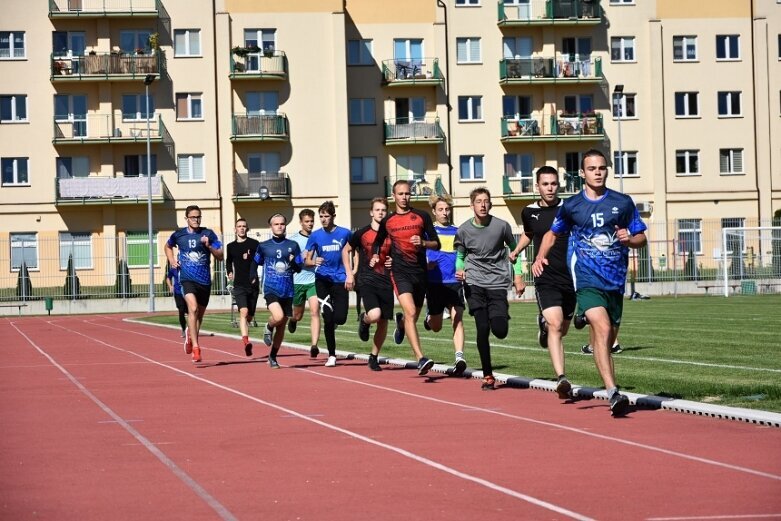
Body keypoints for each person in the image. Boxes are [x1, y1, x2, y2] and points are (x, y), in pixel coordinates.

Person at [532, 149, 647, 417]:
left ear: (607, 170)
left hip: (615, 281)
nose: (597, 172)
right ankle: (613, 392)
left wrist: (629, 239)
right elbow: (552, 233)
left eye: (602, 168)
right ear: (582, 173)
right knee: (603, 328)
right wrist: (540, 257)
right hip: (586, 278)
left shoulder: (623, 202)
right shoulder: (572, 206)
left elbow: (642, 238)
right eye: (592, 168)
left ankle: (606, 374)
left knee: (606, 339)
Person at [509, 166, 576, 400]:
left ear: (559, 185)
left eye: (554, 184)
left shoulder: (568, 209)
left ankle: (543, 326)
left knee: (562, 327)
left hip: (570, 278)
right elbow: (529, 233)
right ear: (537, 186)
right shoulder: (528, 211)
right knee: (557, 325)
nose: (550, 188)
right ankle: (562, 378)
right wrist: (517, 250)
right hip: (544, 277)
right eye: (545, 184)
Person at [455, 188, 525, 390]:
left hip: (497, 283)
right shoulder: (464, 230)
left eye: (486, 201)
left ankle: (500, 319)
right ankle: (488, 375)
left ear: (490, 204)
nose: (483, 205)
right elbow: (460, 257)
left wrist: (518, 275)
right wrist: (459, 271)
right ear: (472, 205)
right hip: (474, 284)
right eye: (478, 201)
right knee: (482, 328)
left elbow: (515, 250)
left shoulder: (501, 227)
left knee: (500, 330)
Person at [372, 180, 440, 376]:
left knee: (413, 317)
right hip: (400, 273)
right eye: (400, 194)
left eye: (407, 193)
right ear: (394, 196)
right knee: (411, 312)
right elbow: (377, 243)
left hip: (420, 273)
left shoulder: (421, 216)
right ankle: (421, 358)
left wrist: (424, 242)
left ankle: (400, 324)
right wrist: (377, 255)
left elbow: (436, 243)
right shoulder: (388, 221)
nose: (404, 197)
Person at [164, 205, 224, 363]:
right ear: (187, 218)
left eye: (198, 217)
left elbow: (220, 256)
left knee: (199, 316)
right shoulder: (179, 235)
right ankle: (196, 348)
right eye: (193, 217)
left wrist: (209, 246)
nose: (196, 220)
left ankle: (190, 338)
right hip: (187, 279)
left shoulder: (208, 234)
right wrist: (171, 260)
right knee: (193, 308)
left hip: (204, 281)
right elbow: (167, 246)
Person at [343, 197, 393, 371]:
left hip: (386, 281)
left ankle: (374, 356)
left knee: (383, 321)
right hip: (367, 280)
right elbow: (346, 250)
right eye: (377, 210)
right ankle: (365, 320)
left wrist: (392, 261)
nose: (380, 213)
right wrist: (349, 274)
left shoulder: (391, 234)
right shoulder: (362, 233)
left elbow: (396, 255)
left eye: (383, 210)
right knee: (375, 315)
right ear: (371, 212)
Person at [249, 214, 302, 369]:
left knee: (282, 325)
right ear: (271, 227)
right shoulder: (264, 246)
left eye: (282, 224)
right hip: (271, 288)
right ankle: (268, 326)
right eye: (276, 224)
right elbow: (255, 262)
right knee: (277, 317)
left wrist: (293, 262)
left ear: (285, 226)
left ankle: (272, 357)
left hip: (288, 290)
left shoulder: (293, 245)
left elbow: (298, 268)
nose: (279, 226)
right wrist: (252, 276)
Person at [423, 194, 467, 377]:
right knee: (436, 326)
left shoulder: (458, 231)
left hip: (454, 282)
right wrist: (426, 264)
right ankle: (428, 319)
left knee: (458, 317)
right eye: (440, 209)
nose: (444, 212)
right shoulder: (428, 232)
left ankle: (459, 358)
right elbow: (419, 253)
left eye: (447, 209)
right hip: (434, 283)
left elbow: (464, 255)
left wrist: (464, 269)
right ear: (434, 212)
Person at [305, 201, 352, 367]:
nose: (323, 219)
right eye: (321, 216)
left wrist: (352, 273)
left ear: (333, 216)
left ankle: (333, 322)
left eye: (326, 216)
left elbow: (356, 252)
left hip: (340, 279)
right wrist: (312, 261)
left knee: (341, 318)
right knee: (327, 317)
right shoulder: (315, 236)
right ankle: (332, 355)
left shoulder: (345, 233)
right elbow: (307, 259)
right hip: (322, 280)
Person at [287, 209, 321, 359]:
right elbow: (291, 262)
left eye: (312, 221)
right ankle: (293, 320)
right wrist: (301, 260)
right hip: (298, 281)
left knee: (315, 311)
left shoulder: (317, 238)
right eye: (307, 221)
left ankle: (314, 345)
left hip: (313, 281)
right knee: (298, 315)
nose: (310, 224)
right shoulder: (294, 240)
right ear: (301, 222)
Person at [225, 218, 260, 357]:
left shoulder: (254, 244)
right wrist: (229, 272)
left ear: (247, 228)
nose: (241, 228)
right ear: (235, 229)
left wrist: (251, 258)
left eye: (244, 226)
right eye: (239, 226)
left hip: (252, 284)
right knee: (243, 312)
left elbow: (259, 260)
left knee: (249, 316)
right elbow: (228, 261)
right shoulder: (231, 246)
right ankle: (246, 342)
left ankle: (246, 334)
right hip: (239, 285)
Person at [165, 262, 187, 338]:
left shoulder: (187, 268)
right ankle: (184, 329)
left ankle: (192, 329)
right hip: (178, 293)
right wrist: (170, 286)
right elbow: (168, 278)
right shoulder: (173, 269)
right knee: (181, 310)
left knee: (190, 311)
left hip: (187, 292)